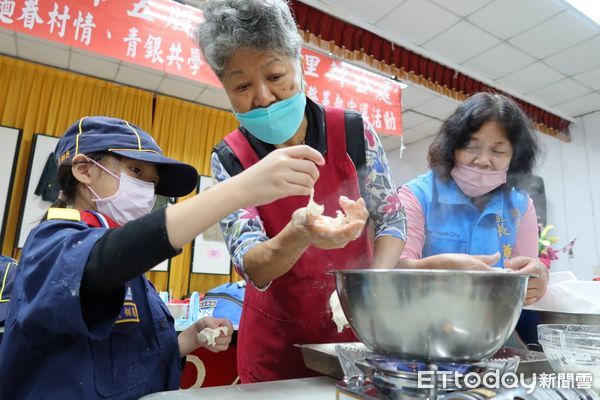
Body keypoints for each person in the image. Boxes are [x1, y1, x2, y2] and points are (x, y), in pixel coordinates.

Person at [0, 116, 325, 399]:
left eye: (152, 182)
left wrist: (193, 336)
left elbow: (136, 359)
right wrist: (237, 191)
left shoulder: (129, 271)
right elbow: (102, 262)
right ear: (84, 169)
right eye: (136, 171)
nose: (146, 190)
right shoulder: (52, 244)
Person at [195, 0, 408, 383]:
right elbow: (252, 264)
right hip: (276, 346)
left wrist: (373, 283)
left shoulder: (355, 134)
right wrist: (299, 234)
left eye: (275, 76)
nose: (263, 97)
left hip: (358, 334)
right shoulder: (232, 159)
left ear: (300, 66)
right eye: (242, 86)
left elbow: (392, 216)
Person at [398, 92, 549, 306]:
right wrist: (441, 271)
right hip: (425, 321)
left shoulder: (521, 206)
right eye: (471, 147)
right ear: (453, 147)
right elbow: (394, 271)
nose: (483, 161)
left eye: (498, 151)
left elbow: (526, 271)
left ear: (514, 158)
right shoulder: (416, 195)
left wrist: (538, 275)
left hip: (493, 326)